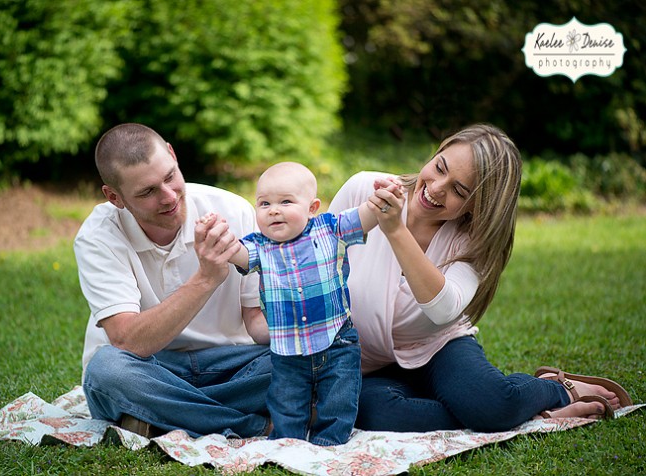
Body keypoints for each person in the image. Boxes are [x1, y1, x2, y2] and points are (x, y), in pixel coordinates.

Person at [327, 123, 633, 433]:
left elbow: (443, 308)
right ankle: (527, 414)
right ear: (436, 154)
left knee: (492, 406)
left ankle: (556, 389)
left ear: (477, 205)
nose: (436, 188)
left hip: (437, 348)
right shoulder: (365, 190)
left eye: (459, 190)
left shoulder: (472, 240)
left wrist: (395, 230)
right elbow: (314, 264)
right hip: (360, 360)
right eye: (439, 167)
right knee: (377, 416)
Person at [74, 123, 273, 439]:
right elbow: (128, 341)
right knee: (106, 372)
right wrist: (205, 279)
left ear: (172, 154)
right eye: (148, 191)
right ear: (115, 197)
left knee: (307, 359)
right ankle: (255, 424)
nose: (169, 197)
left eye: (170, 177)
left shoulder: (233, 210)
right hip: (146, 369)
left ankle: (157, 416)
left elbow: (254, 319)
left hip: (231, 367)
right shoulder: (99, 237)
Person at [202, 162, 391, 445]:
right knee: (286, 401)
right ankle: (287, 443)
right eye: (264, 203)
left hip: (336, 341)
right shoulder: (259, 246)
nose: (273, 210)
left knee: (339, 397)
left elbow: (364, 218)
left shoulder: (330, 230)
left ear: (312, 207)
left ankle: (330, 443)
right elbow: (238, 254)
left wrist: (380, 202)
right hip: (287, 349)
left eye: (285, 201)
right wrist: (220, 239)